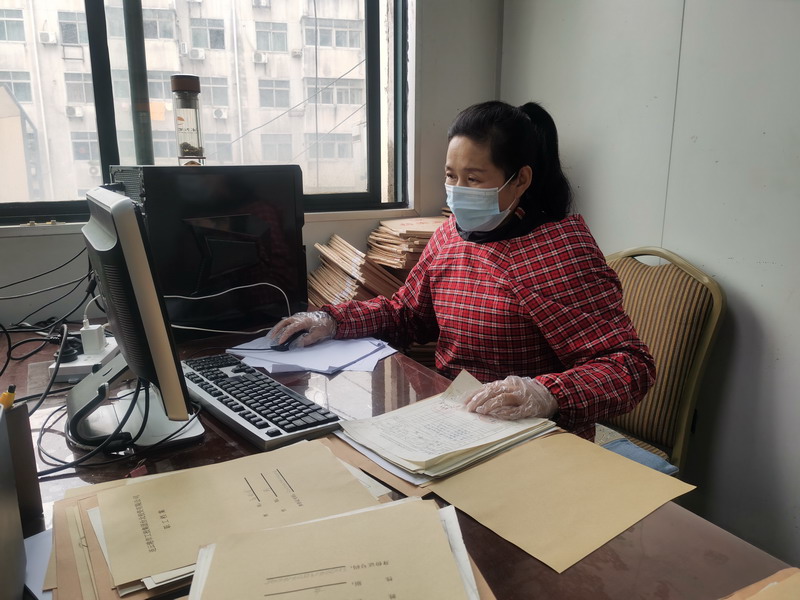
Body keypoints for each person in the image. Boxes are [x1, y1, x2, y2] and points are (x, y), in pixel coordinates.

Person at [268, 100, 655, 440]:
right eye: (451, 176)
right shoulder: (450, 236)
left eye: (473, 179)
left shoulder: (560, 255)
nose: (457, 190)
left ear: (520, 180)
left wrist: (547, 393)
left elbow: (629, 366)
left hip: (533, 437)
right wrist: (333, 321)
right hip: (453, 420)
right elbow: (408, 315)